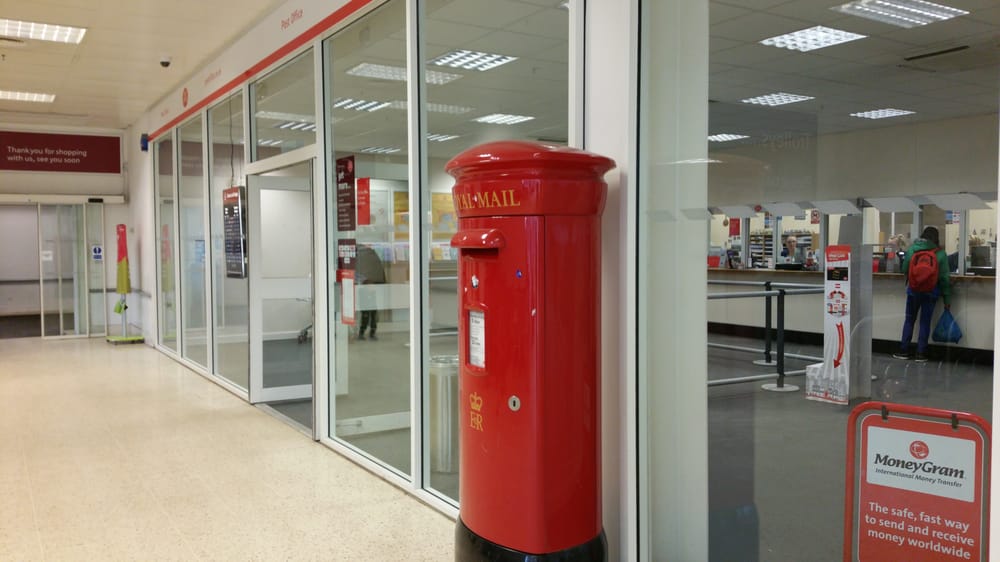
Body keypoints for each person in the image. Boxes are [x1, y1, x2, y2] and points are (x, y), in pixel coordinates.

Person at [894, 226, 951, 362]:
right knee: (925, 322)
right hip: (931, 292)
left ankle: (904, 351)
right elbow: (944, 279)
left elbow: (904, 269)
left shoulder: (913, 249)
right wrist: (947, 299)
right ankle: (921, 353)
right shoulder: (941, 253)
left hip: (913, 290)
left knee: (909, 320)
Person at [356, 244, 386, 340]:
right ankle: (367, 333)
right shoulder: (373, 258)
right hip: (367, 289)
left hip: (368, 289)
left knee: (370, 313)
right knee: (369, 313)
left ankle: (366, 332)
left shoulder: (361, 259)